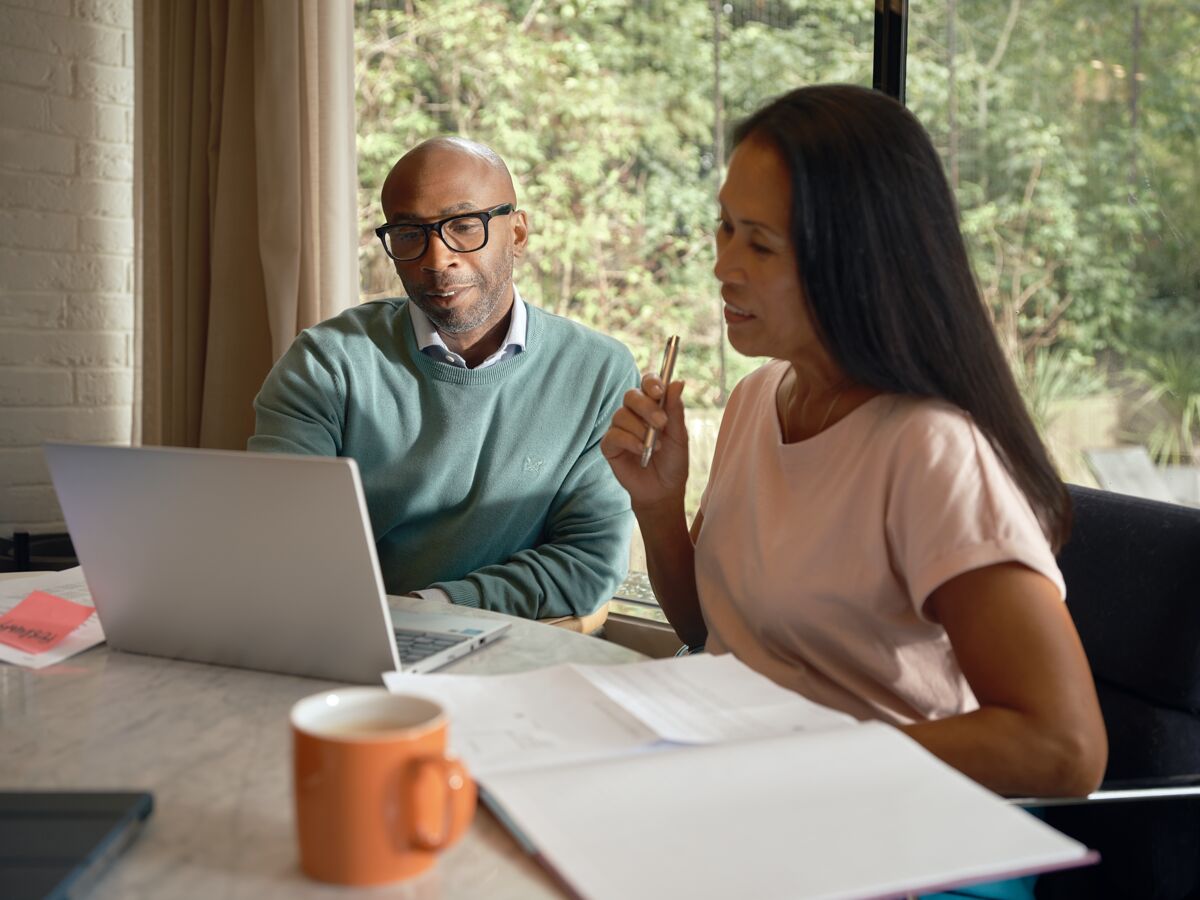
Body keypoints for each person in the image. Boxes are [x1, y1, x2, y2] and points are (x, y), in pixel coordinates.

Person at [602, 86, 1107, 806]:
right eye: (724, 228)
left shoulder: (930, 449)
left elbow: (1065, 748)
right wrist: (657, 507)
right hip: (752, 797)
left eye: (761, 243)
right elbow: (712, 631)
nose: (723, 266)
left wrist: (798, 764)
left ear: (856, 259)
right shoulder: (757, 399)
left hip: (891, 828)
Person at [250, 137, 639, 619]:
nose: (437, 260)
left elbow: (587, 562)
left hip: (510, 648)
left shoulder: (598, 373)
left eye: (463, 225)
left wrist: (432, 608)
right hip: (347, 633)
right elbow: (279, 537)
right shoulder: (327, 363)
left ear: (516, 234)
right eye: (410, 233)